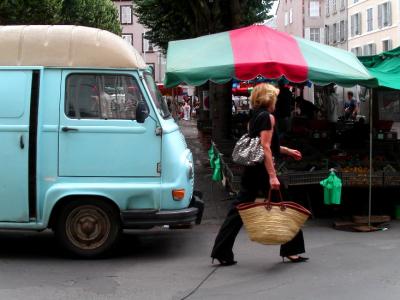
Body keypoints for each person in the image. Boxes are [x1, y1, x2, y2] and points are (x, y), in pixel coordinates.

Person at [210, 83, 308, 266]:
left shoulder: (255, 116)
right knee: (286, 205)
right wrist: (272, 176)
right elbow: (265, 147)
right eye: (275, 97)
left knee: (238, 210)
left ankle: (221, 251)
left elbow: (264, 144)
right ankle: (292, 250)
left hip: (252, 170)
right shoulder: (268, 117)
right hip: (263, 170)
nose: (277, 100)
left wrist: (288, 151)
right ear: (269, 98)